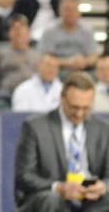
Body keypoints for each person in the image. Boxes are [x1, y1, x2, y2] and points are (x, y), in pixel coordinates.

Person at [15, 71, 109, 212]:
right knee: (51, 199)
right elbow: (24, 176)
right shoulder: (35, 127)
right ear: (62, 98)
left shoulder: (103, 129)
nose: (79, 114)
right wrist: (59, 187)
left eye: (86, 108)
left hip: (91, 199)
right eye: (74, 107)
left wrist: (103, 186)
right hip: (50, 196)